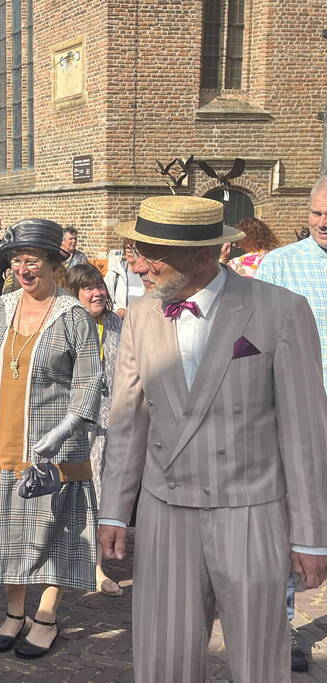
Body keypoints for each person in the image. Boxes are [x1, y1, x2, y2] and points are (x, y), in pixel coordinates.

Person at [99, 195, 327, 682]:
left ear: (203, 255)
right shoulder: (140, 314)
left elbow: (305, 434)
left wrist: (311, 536)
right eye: (136, 248)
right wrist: (115, 510)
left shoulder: (281, 310)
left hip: (251, 510)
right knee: (164, 660)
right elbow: (127, 420)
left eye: (150, 252)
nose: (136, 263)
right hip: (165, 513)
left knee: (260, 662)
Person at [0, 218, 102, 660]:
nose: (22, 269)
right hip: (5, 443)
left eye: (31, 261)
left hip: (55, 449)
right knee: (12, 531)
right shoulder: (2, 308)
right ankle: (16, 613)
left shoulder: (72, 315)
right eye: (16, 261)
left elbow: (90, 382)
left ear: (55, 263)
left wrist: (65, 427)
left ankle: (48, 615)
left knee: (56, 533)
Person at [255, 176, 327, 672]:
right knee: (285, 525)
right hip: (297, 417)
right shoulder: (281, 265)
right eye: (319, 213)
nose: (325, 223)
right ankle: (280, 629)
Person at [63, 263, 124, 598]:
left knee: (101, 490)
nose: (97, 292)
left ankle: (96, 567)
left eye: (99, 285)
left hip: (109, 423)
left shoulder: (116, 324)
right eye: (87, 288)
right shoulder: (65, 325)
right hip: (72, 423)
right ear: (74, 293)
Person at [102, 226, 145, 318]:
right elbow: (105, 297)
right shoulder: (116, 272)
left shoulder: (148, 273)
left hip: (143, 320)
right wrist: (117, 309)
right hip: (121, 322)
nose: (129, 252)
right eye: (127, 248)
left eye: (134, 249)